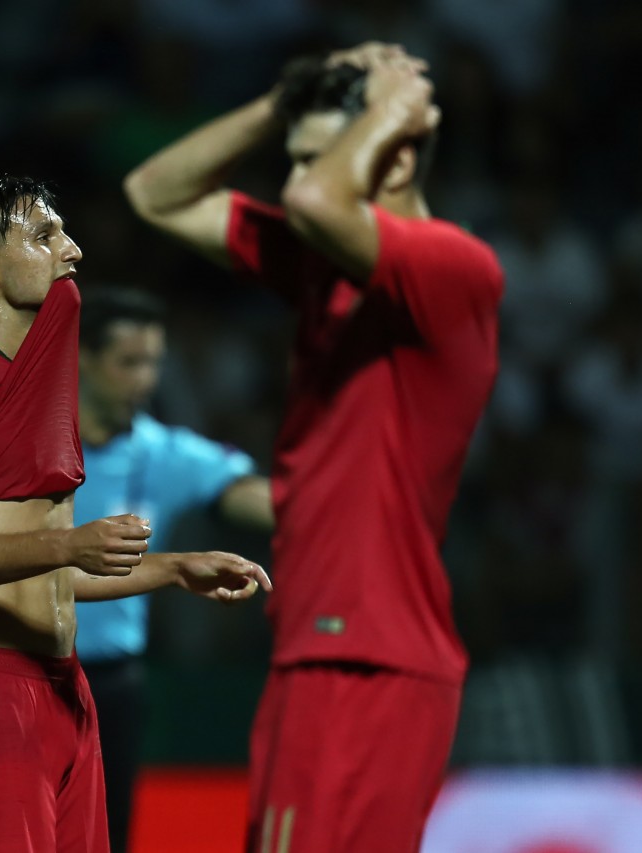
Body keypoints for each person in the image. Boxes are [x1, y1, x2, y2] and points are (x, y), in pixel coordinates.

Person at [124, 42, 503, 852]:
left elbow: (318, 204)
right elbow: (154, 194)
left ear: (395, 157)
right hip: (322, 642)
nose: (292, 179)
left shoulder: (452, 269)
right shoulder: (322, 270)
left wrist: (392, 108)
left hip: (368, 650)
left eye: (313, 158)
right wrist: (279, 102)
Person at [0, 175, 271, 853]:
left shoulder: (42, 385)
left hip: (66, 685)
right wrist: (70, 546)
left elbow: (45, 571)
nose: (74, 250)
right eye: (46, 235)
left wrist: (172, 568)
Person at [75, 287, 274, 853]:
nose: (145, 378)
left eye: (155, 362)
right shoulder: (29, 447)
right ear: (83, 358)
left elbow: (243, 490)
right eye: (129, 362)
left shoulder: (162, 453)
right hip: (22, 667)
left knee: (108, 839)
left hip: (113, 685)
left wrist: (320, 503)